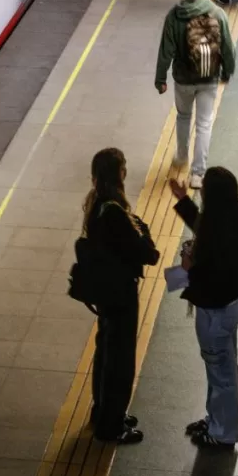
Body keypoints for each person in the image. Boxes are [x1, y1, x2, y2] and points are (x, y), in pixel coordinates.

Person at [169, 167, 238, 449]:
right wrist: (182, 200)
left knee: (222, 373)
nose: (200, 189)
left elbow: (211, 275)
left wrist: (190, 267)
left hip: (215, 311)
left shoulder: (219, 233)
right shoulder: (233, 218)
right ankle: (215, 419)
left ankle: (223, 433)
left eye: (203, 186)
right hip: (230, 305)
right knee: (220, 367)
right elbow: (204, 226)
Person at [83, 148, 160, 444]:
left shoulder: (96, 204)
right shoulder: (115, 211)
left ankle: (103, 411)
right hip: (120, 294)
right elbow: (148, 254)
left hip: (105, 292)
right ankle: (111, 426)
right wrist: (142, 229)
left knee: (106, 351)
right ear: (120, 173)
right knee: (120, 359)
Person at [156, 0, 237, 191]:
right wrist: (227, 70)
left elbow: (166, 50)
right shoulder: (217, 13)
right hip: (208, 76)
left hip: (183, 77)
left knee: (183, 117)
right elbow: (228, 47)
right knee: (204, 124)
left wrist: (160, 78)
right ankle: (197, 174)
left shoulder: (175, 15)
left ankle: (181, 156)